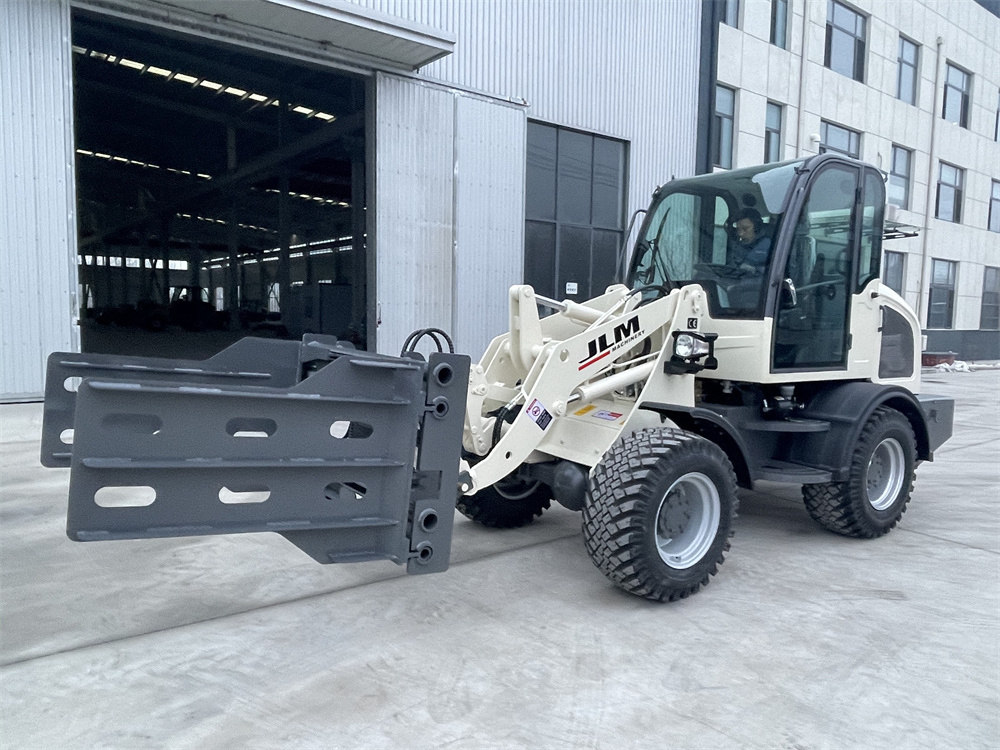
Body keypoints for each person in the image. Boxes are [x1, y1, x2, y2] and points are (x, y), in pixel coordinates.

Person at [730, 207, 771, 272]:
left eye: (745, 229)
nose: (740, 234)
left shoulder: (769, 245)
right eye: (738, 229)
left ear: (757, 227)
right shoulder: (736, 246)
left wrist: (756, 269)